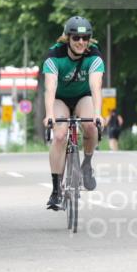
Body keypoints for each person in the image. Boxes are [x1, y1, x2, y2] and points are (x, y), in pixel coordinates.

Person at [42, 16, 104, 210]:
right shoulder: (54, 55)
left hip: (83, 97)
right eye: (76, 38)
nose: (81, 42)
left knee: (91, 126)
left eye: (85, 38)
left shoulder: (94, 55)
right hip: (60, 98)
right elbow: (50, 87)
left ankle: (87, 163)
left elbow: (95, 86)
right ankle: (56, 190)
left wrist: (98, 113)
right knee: (60, 135)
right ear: (67, 38)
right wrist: (49, 114)